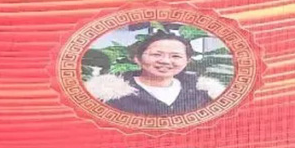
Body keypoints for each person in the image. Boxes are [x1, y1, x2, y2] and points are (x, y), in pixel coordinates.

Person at [84, 31, 225, 116]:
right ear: (137, 59)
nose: (165, 61)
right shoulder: (107, 95)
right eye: (156, 54)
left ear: (187, 61)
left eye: (175, 56)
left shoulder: (204, 93)